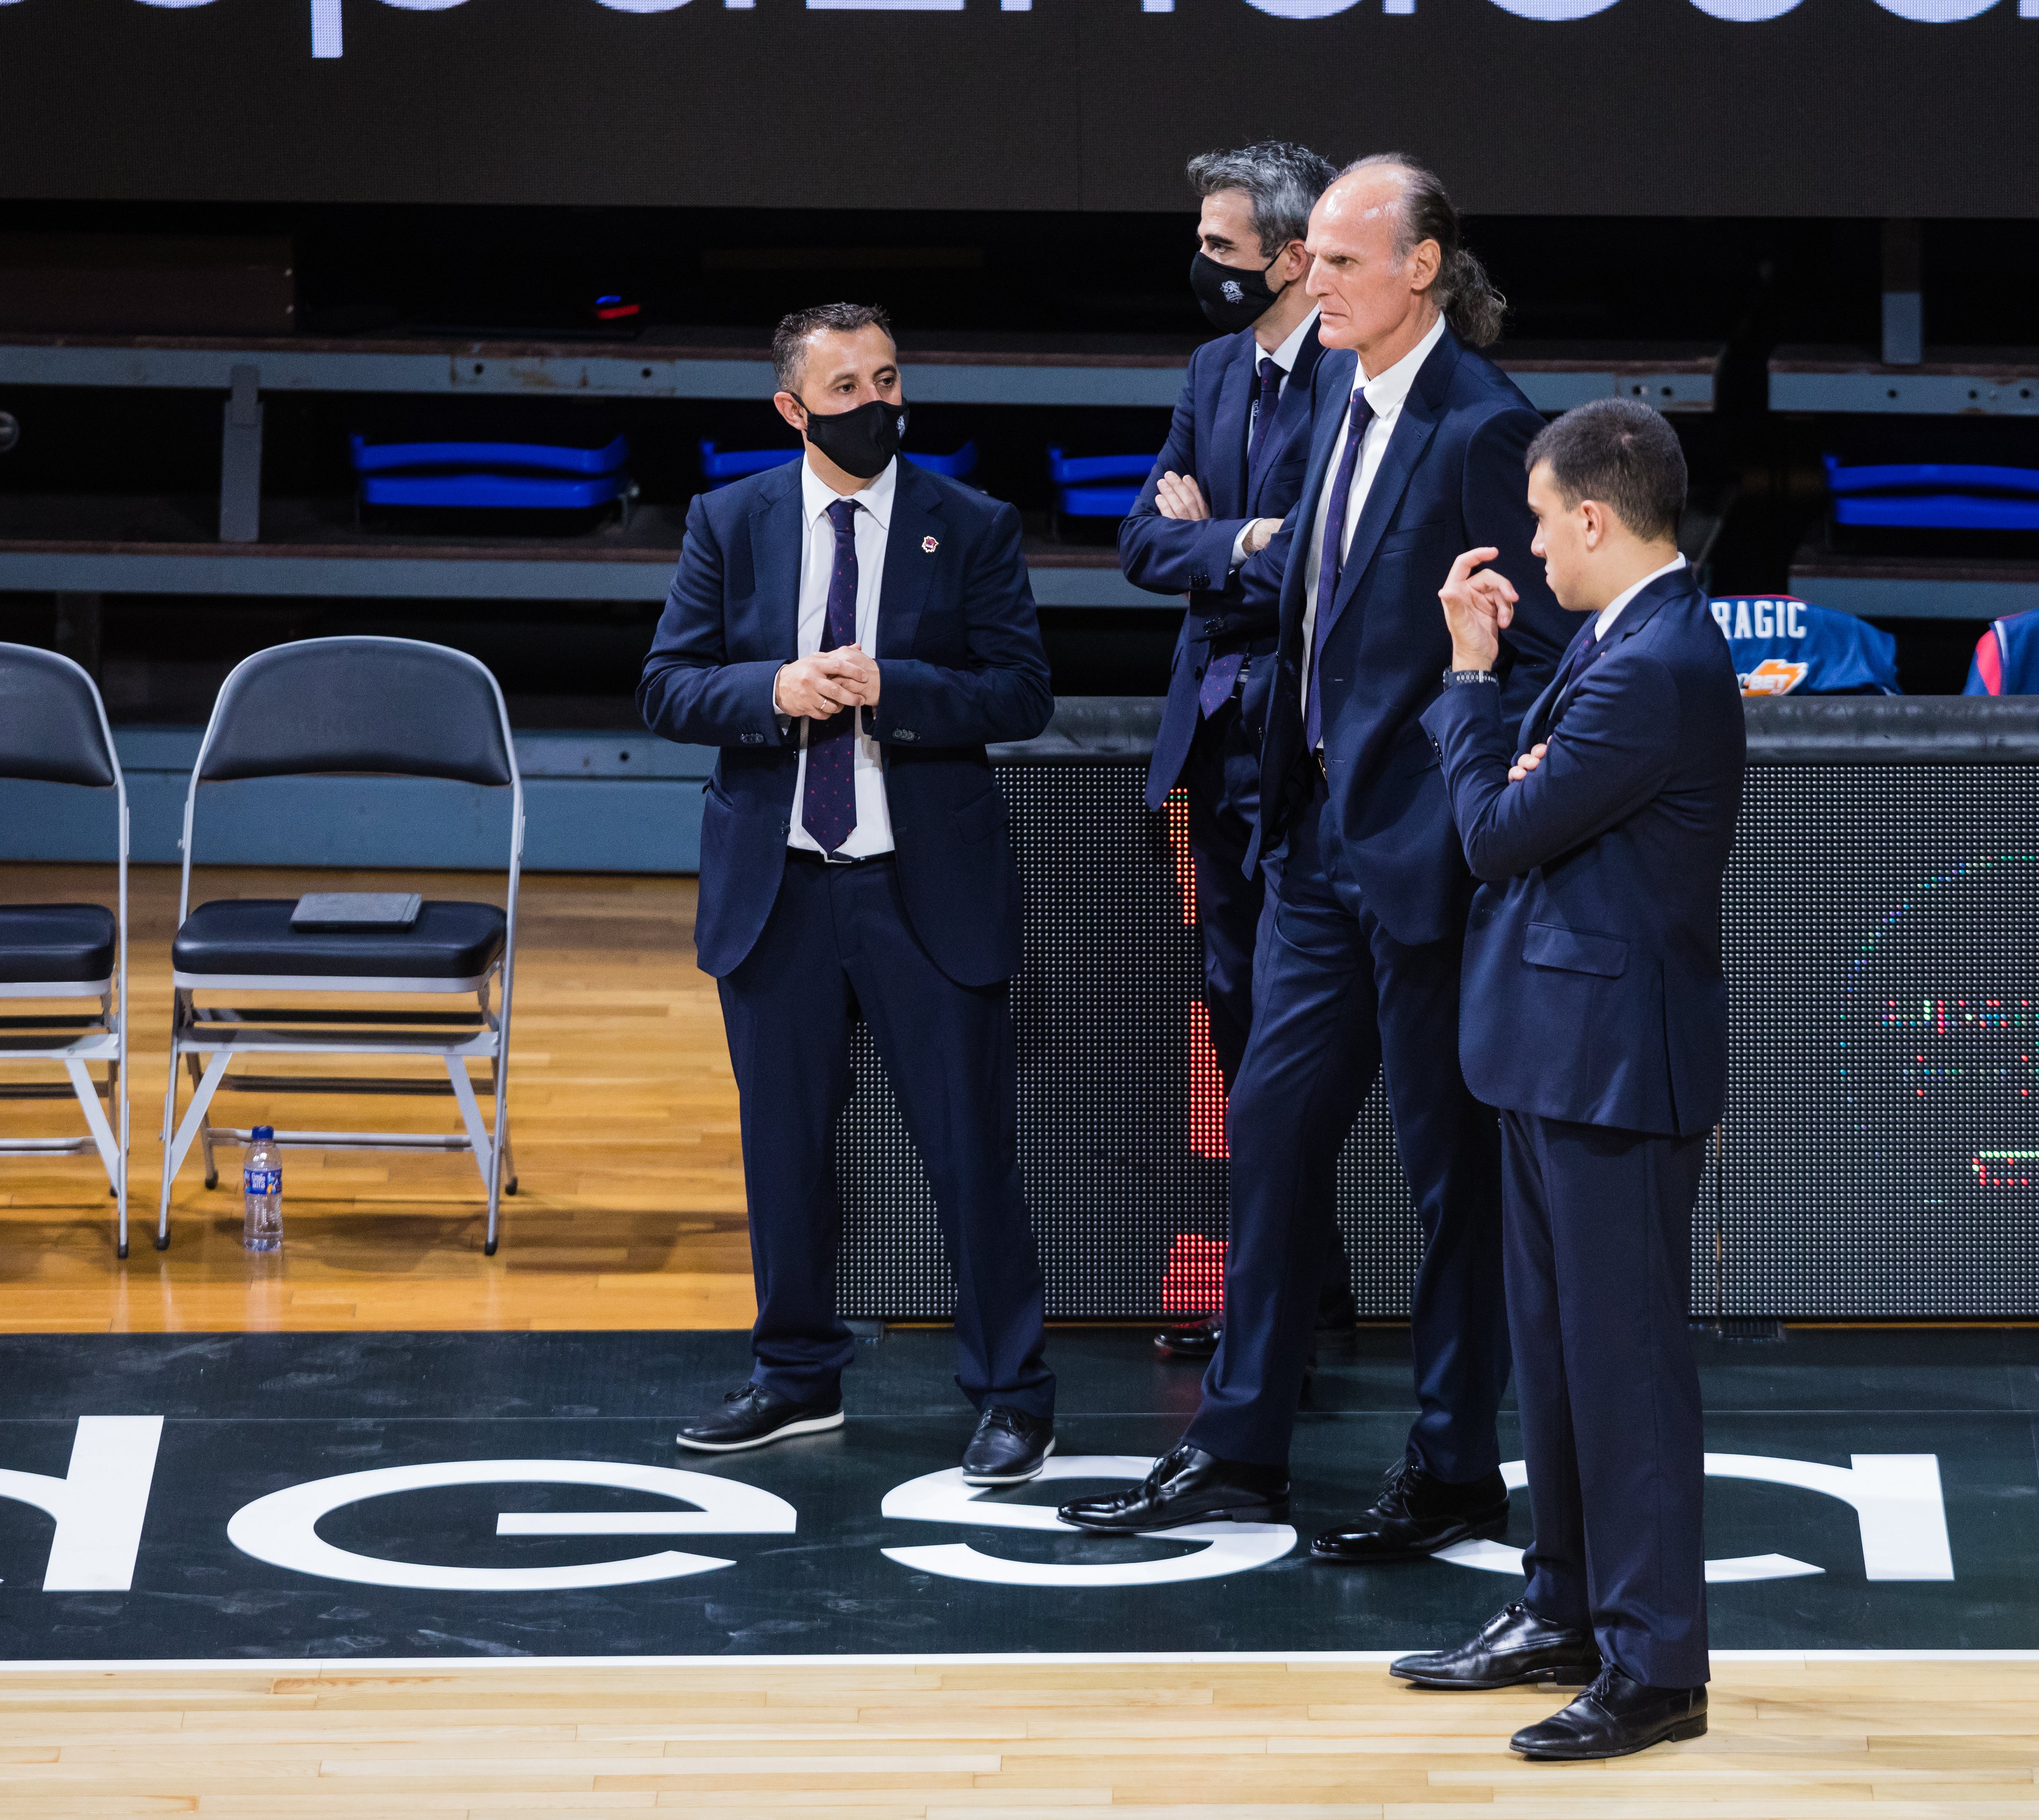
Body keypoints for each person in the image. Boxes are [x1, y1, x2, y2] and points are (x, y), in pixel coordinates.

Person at [1061, 155, 1571, 1558]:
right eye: (1315, 260)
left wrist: (1463, 816)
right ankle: (1236, 1449)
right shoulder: (1333, 397)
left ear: (1420, 269)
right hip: (1307, 846)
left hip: (1423, 863)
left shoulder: (1482, 426)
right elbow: (1313, 589)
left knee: (1446, 1179)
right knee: (1271, 1144)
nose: (1312, 279)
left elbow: (1521, 655)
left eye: (1343, 261)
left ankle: (1455, 1462)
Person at [638, 301, 1059, 1487]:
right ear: (791, 408)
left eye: (888, 381)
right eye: (847, 390)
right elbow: (667, 688)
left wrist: (898, 687)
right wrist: (773, 689)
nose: (877, 406)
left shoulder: (966, 524)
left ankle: (1014, 1394)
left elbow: (1021, 692)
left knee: (969, 1154)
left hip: (924, 888)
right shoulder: (732, 522)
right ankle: (794, 1377)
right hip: (780, 891)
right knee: (784, 1158)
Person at [1388, 399, 1742, 1761]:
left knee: (1625, 1375)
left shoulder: (1651, 666)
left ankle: (1655, 1666)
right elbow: (1523, 820)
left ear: (1593, 518)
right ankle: (1564, 1611)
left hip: (1609, 1069)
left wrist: (1472, 689)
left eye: (1542, 523)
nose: (1533, 552)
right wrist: (1510, 740)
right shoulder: (1614, 640)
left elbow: (1490, 835)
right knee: (1554, 1363)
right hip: (1549, 1051)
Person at [1118, 140, 1358, 1365]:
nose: (1201, 265)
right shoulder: (1214, 368)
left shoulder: (1354, 380)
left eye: (1220, 245)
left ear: (1289, 253)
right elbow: (1138, 541)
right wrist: (1232, 546)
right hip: (1210, 751)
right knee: (1233, 1022)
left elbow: (1321, 568)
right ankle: (1299, 1290)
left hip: (1305, 757)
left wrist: (1227, 545)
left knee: (1290, 1045)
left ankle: (1274, 1306)